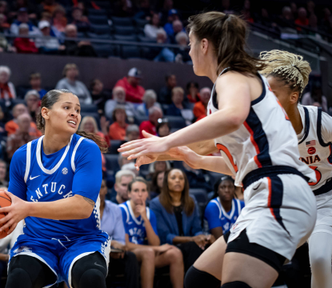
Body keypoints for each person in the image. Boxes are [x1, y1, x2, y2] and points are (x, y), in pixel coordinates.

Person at [118, 12, 317, 288]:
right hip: (272, 190)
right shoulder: (232, 87)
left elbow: (233, 115)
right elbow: (226, 154)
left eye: (190, 42)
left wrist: (165, 142)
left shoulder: (231, 76)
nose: (187, 50)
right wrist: (180, 156)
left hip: (277, 194)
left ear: (204, 45)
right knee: (199, 279)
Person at [0, 89, 109, 288]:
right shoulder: (23, 156)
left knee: (91, 277)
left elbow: (82, 208)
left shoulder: (86, 149)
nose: (75, 113)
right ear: (45, 113)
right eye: (67, 108)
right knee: (19, 277)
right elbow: (14, 208)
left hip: (82, 240)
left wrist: (29, 208)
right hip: (38, 242)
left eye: (77, 110)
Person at [260, 49, 332, 288]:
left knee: (320, 259)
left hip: (325, 199)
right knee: (256, 257)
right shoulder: (269, 128)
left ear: (293, 97)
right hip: (292, 202)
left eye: (272, 93)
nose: (266, 98)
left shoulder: (320, 122)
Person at [120, 177, 184, 288]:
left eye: (143, 190)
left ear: (147, 194)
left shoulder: (149, 213)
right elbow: (126, 245)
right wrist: (157, 249)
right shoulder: (121, 210)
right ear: (129, 194)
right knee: (149, 252)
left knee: (175, 253)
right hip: (126, 255)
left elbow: (154, 243)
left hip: (146, 256)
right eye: (136, 190)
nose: (140, 194)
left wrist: (145, 218)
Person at [147, 169, 210, 271]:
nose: (178, 181)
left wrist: (203, 237)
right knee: (194, 247)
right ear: (166, 182)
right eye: (173, 178)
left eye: (181, 178)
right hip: (169, 247)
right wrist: (192, 239)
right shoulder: (156, 204)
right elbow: (165, 236)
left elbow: (196, 229)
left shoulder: (191, 200)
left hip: (190, 244)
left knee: (207, 246)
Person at [98, 178, 139, 288]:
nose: (98, 190)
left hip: (112, 254)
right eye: (95, 187)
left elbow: (120, 240)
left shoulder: (115, 209)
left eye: (102, 187)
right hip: (93, 253)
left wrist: (118, 247)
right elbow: (87, 237)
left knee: (130, 257)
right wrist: (110, 242)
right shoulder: (84, 210)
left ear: (106, 190)